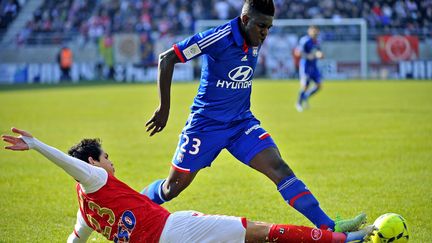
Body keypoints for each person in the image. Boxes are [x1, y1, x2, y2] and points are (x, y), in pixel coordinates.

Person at [144, 0, 364, 233]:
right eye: (261, 26)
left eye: (269, 27)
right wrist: (164, 109)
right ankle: (130, 210)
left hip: (241, 124)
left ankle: (330, 226)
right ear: (245, 20)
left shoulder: (254, 37)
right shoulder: (218, 38)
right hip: (205, 127)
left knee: (280, 169)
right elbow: (167, 59)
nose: (265, 33)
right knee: (171, 189)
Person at [2, 127, 376, 243]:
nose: (110, 162)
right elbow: (71, 165)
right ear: (92, 163)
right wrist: (35, 145)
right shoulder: (95, 178)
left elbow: (75, 239)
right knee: (254, 232)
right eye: (105, 156)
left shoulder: (85, 209)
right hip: (174, 229)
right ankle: (342, 240)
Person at [295, 25, 324, 112]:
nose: (315, 33)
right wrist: (308, 56)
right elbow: (297, 53)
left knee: (319, 86)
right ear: (309, 31)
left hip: (314, 67)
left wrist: (321, 55)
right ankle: (298, 103)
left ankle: (305, 97)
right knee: (305, 86)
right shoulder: (305, 40)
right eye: (313, 31)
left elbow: (319, 52)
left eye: (316, 31)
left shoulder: (317, 42)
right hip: (305, 66)